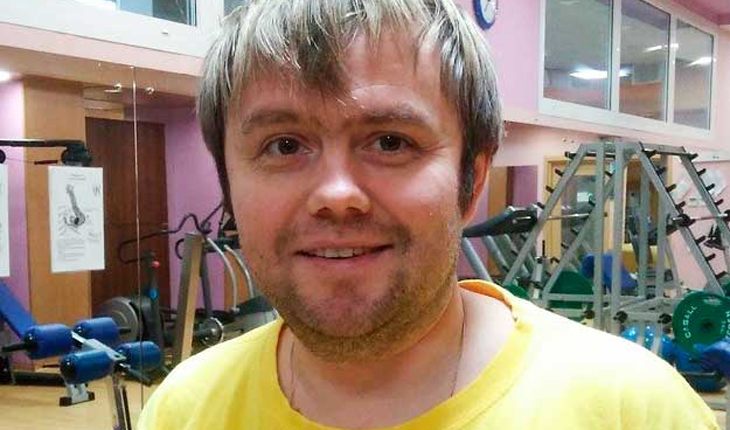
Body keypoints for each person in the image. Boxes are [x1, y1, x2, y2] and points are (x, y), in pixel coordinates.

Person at [137, 0, 719, 428]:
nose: (335, 194)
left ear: (473, 180)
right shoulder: (184, 411)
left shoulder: (634, 410)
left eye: (390, 142)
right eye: (283, 145)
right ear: (230, 184)